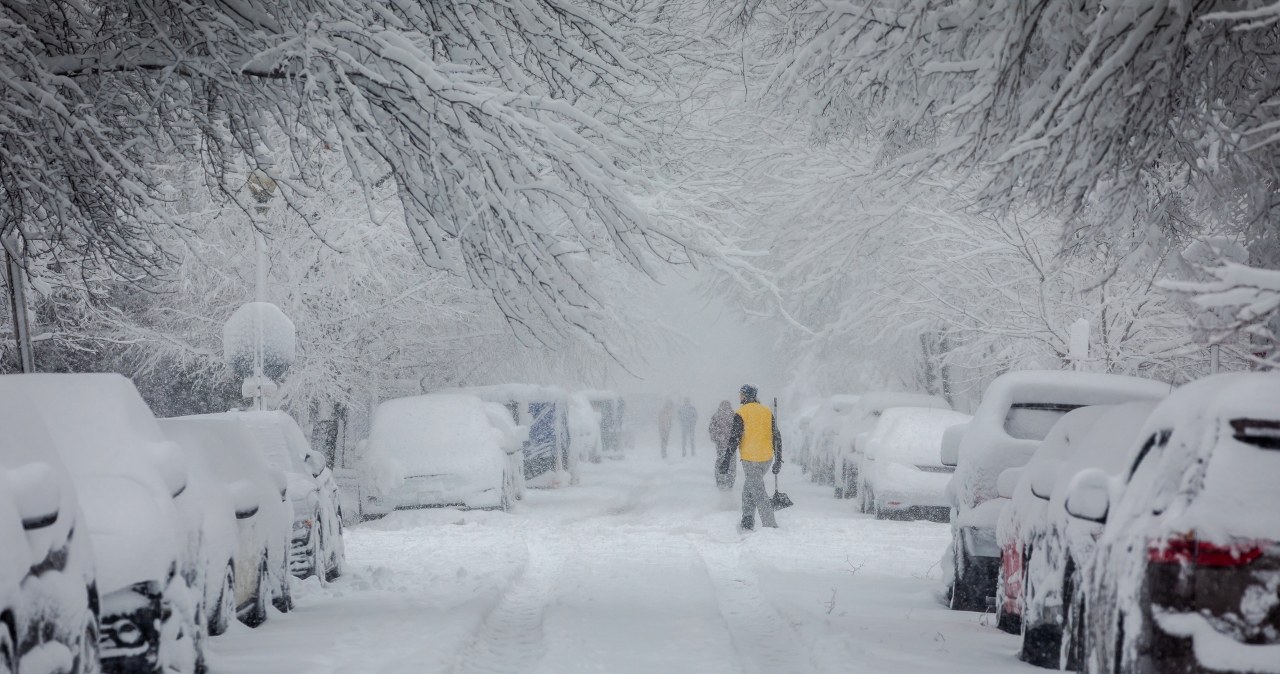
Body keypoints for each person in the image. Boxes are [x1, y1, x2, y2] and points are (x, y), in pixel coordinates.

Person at [718, 384, 782, 531]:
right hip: (766, 458)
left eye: (741, 394)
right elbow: (777, 437)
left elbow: (734, 439)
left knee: (758, 492)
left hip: (751, 459)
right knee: (749, 488)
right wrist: (778, 459)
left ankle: (770, 525)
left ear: (746, 396)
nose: (739, 396)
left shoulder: (741, 413)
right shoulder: (767, 412)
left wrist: (726, 460)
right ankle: (747, 520)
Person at [708, 400, 735, 490]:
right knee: (731, 463)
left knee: (720, 461)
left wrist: (717, 438)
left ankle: (720, 481)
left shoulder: (716, 415)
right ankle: (729, 482)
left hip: (721, 444)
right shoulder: (734, 415)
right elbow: (738, 430)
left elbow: (711, 429)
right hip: (731, 444)